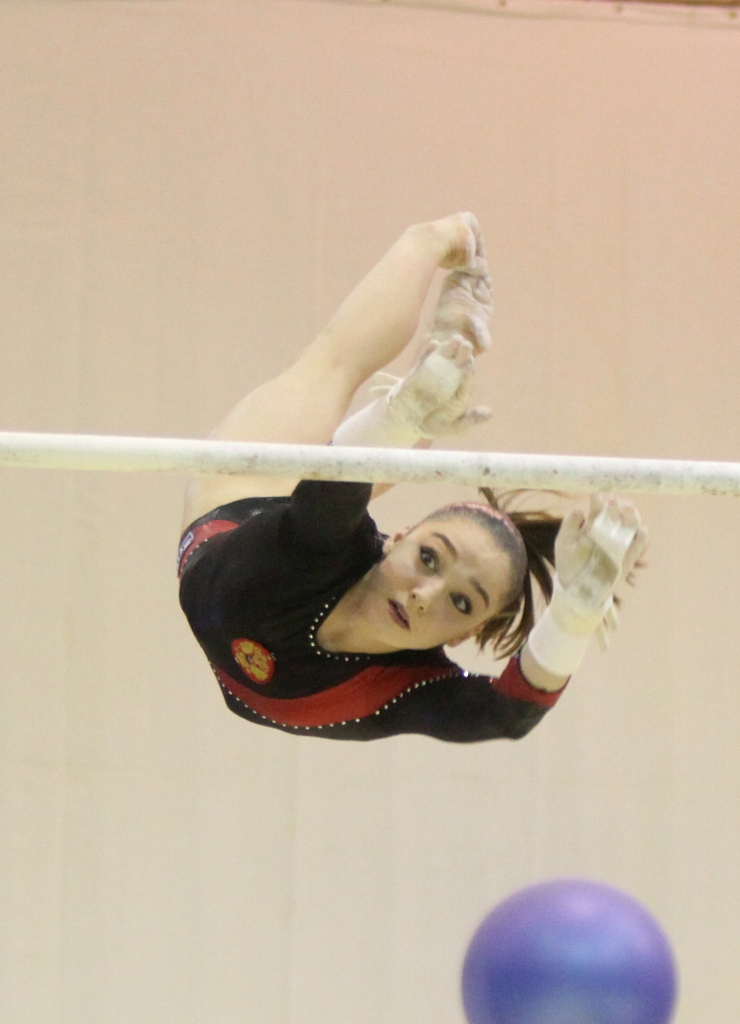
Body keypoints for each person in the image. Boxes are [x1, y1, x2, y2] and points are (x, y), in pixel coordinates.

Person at [178, 213, 647, 743]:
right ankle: (439, 241)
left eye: (462, 603)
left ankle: (435, 376)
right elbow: (328, 499)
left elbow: (507, 714)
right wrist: (397, 418)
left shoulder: (412, 684)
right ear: (396, 537)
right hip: (241, 491)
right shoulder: (321, 546)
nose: (426, 595)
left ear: (468, 633)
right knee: (332, 365)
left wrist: (573, 617)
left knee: (399, 431)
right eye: (428, 557)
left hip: (307, 508)